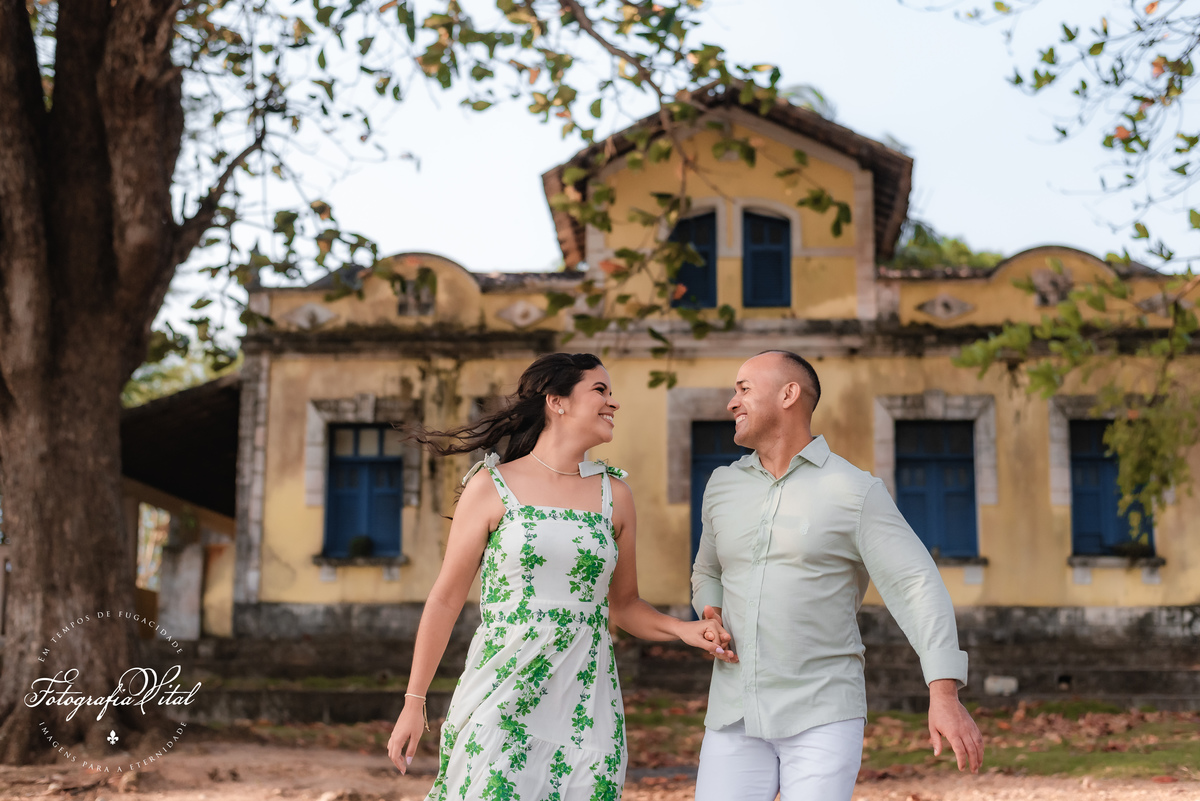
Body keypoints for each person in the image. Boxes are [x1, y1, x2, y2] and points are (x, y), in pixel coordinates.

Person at [387, 352, 734, 800]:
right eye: (600, 390)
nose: (614, 402)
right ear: (557, 401)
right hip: (503, 692)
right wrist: (414, 703)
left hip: (586, 704)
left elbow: (624, 605)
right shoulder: (491, 487)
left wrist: (684, 630)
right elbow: (445, 600)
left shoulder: (616, 495)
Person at [690, 350, 984, 801]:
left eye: (744, 389)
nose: (732, 402)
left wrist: (943, 691)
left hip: (822, 713)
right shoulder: (721, 486)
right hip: (733, 713)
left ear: (789, 395)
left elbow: (915, 584)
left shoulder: (855, 490)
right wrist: (710, 611)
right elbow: (707, 569)